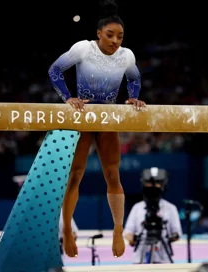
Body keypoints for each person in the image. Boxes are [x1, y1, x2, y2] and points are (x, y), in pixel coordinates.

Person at [47, 0, 146, 259]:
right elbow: (55, 70)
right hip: (83, 116)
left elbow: (134, 78)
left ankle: (117, 228)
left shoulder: (127, 55)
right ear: (99, 34)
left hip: (107, 118)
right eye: (110, 35)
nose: (116, 40)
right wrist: (68, 97)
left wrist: (134, 97)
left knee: (113, 176)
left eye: (120, 36)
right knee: (75, 175)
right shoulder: (84, 49)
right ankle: (67, 229)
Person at [124, 167, 182, 264]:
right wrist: (133, 239)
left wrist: (166, 238)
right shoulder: (137, 208)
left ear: (163, 186)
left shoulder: (170, 208)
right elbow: (128, 231)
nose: (153, 187)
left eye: (156, 184)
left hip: (163, 259)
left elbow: (177, 233)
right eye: (149, 184)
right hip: (140, 258)